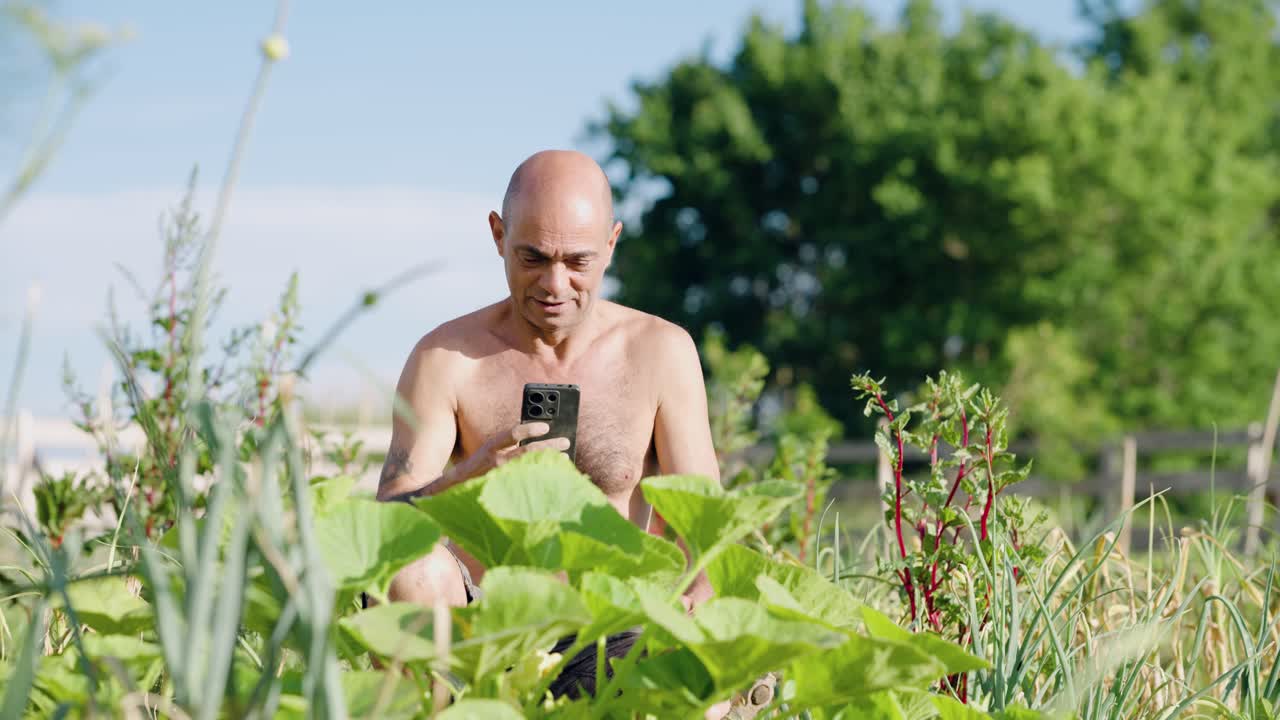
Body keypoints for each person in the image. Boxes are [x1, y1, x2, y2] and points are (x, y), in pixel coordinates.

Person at [374, 149, 722, 685]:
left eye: (578, 261)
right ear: (497, 236)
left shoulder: (660, 351)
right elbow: (386, 524)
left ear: (611, 243)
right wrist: (470, 480)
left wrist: (699, 591)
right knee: (409, 571)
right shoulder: (443, 358)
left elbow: (704, 522)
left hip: (610, 627)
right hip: (485, 632)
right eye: (533, 258)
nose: (555, 285)